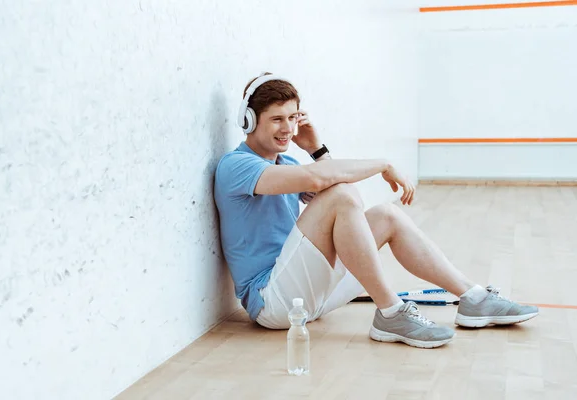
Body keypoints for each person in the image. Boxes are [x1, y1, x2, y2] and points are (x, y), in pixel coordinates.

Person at [213, 72, 538, 349]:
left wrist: (315, 147)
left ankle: (474, 298)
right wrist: (383, 163)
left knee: (387, 215)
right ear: (250, 121)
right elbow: (323, 180)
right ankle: (391, 314)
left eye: (292, 118)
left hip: (309, 297)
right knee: (340, 194)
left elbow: (333, 188)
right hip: (273, 302)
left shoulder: (287, 163)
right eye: (276, 119)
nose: (287, 129)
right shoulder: (237, 165)